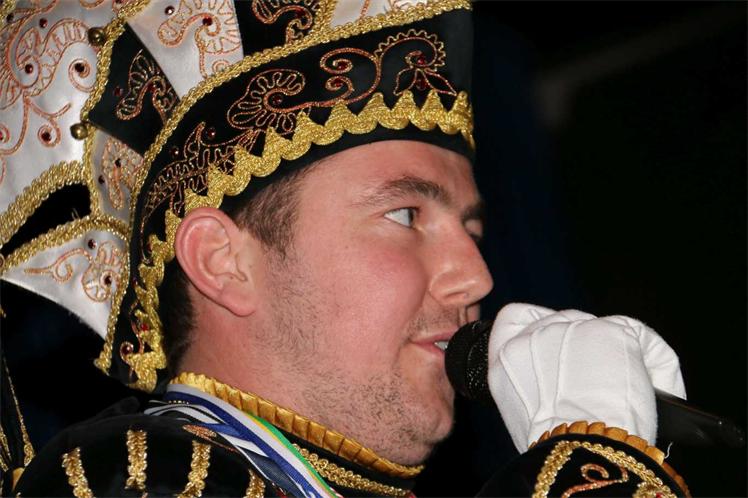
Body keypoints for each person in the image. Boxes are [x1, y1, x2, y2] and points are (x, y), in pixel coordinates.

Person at [0, 0, 688, 496]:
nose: (476, 277)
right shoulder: (136, 477)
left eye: (473, 231)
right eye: (405, 214)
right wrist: (597, 460)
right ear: (222, 261)